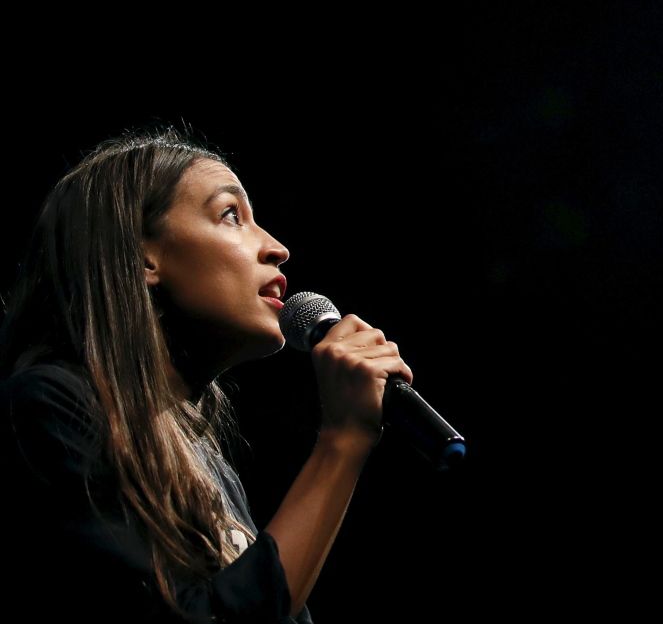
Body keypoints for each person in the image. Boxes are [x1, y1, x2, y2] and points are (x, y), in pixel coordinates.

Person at [0, 125, 413, 623]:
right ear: (141, 254)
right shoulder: (51, 404)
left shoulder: (202, 459)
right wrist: (343, 439)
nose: (277, 248)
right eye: (231, 215)